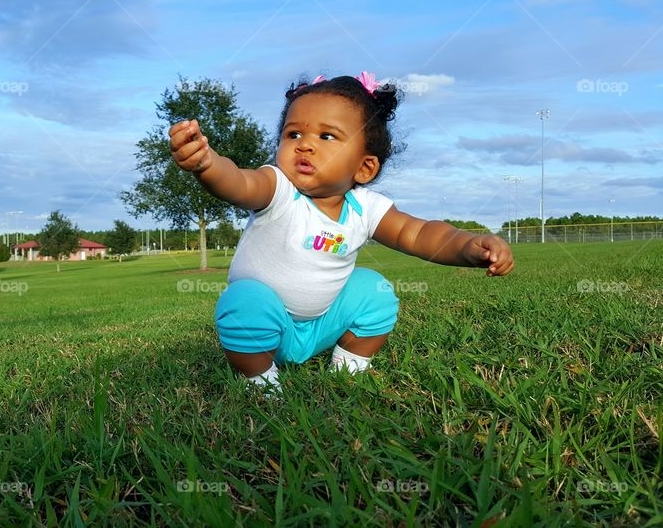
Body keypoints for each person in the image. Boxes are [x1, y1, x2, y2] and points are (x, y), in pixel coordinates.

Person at [168, 72, 515, 395]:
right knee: (244, 301)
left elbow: (419, 233)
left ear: (364, 167)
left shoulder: (366, 208)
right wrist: (208, 164)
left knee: (373, 289)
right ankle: (259, 379)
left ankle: (349, 364)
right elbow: (240, 182)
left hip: (323, 326)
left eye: (327, 136)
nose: (305, 145)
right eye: (293, 134)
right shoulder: (278, 189)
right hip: (269, 329)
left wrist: (469, 246)